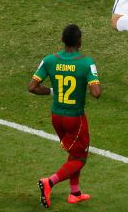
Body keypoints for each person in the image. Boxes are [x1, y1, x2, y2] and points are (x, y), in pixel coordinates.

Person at [28, 24, 101, 208]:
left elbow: (32, 87)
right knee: (80, 158)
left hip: (56, 118)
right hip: (75, 119)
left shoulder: (50, 60)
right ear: (80, 41)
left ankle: (75, 193)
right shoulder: (86, 63)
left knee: (74, 153)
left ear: (62, 40)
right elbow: (96, 93)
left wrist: (53, 91)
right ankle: (49, 182)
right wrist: (90, 80)